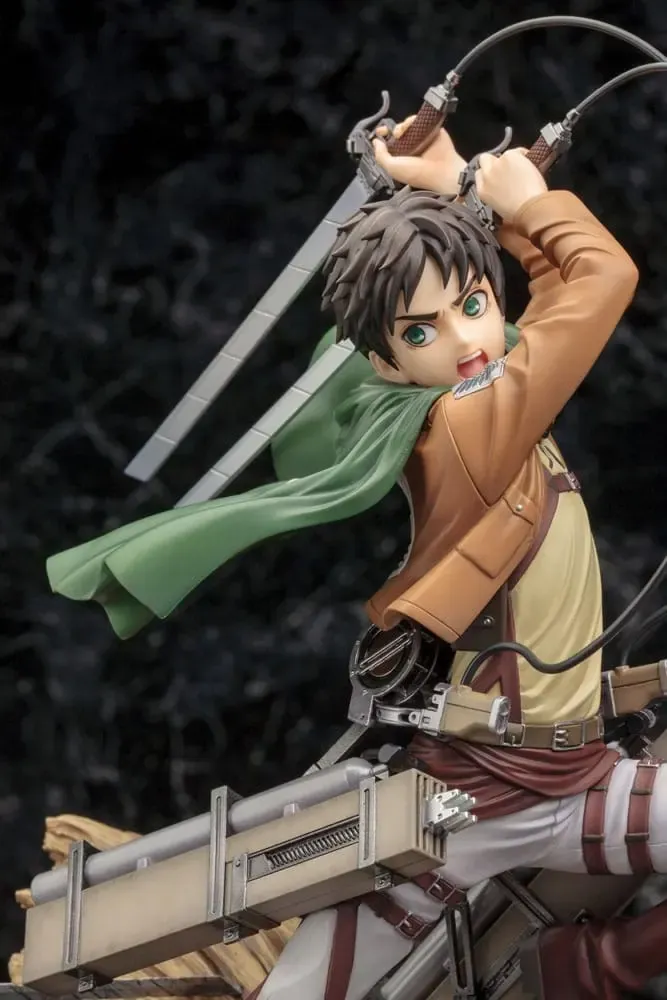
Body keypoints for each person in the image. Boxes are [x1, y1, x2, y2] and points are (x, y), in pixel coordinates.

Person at [45, 123, 667, 999]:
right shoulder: (470, 425)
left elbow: (556, 300)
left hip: (574, 777)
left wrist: (462, 183)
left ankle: (588, 968)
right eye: (421, 331)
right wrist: (525, 202)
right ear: (385, 363)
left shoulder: (493, 391)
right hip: (470, 802)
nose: (463, 339)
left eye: (473, 305)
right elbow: (601, 278)